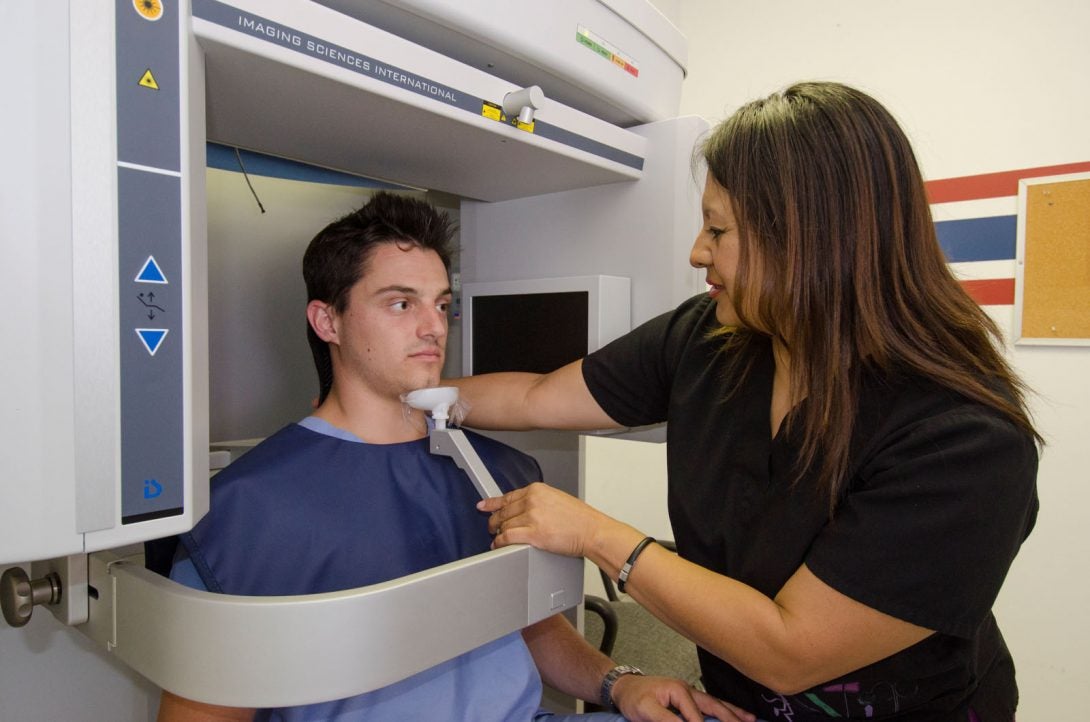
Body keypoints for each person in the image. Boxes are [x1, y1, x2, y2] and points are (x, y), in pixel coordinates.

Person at [452, 82, 1040, 722]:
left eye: (718, 229)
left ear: (809, 239)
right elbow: (538, 397)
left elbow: (792, 650)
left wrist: (597, 535)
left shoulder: (963, 440)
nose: (697, 251)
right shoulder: (711, 339)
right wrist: (406, 392)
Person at [156, 192, 749, 722]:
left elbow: (533, 631)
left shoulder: (504, 476)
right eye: (400, 304)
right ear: (327, 320)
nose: (433, 327)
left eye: (441, 305)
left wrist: (621, 684)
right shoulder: (246, 510)